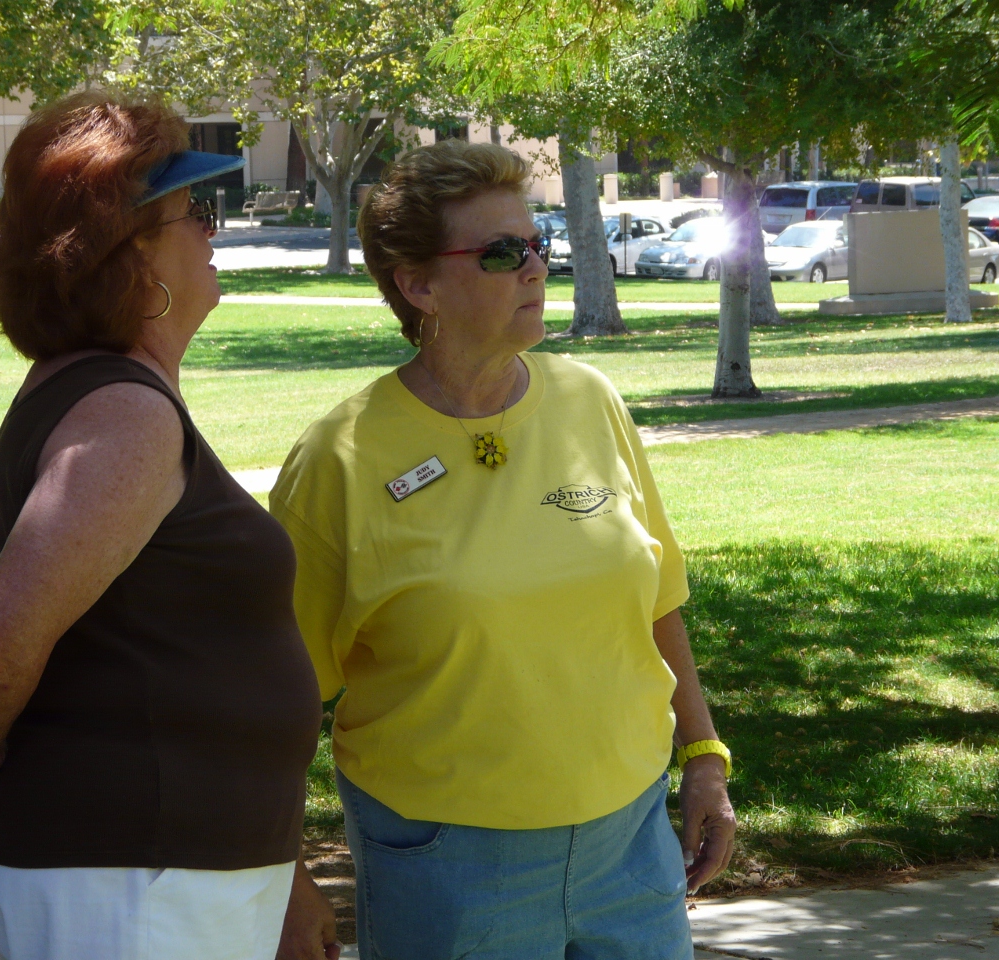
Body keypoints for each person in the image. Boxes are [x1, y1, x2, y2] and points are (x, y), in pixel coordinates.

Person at [0, 91, 336, 960]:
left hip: (153, 871)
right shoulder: (123, 414)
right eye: (194, 212)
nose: (214, 229)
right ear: (131, 259)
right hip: (134, 877)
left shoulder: (90, 395)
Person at [270, 139, 736, 959]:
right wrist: (286, 874)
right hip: (447, 863)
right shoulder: (339, 458)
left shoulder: (589, 400)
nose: (533, 268)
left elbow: (657, 598)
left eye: (538, 242)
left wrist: (703, 757)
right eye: (499, 252)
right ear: (418, 285)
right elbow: (275, 700)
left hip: (629, 841)